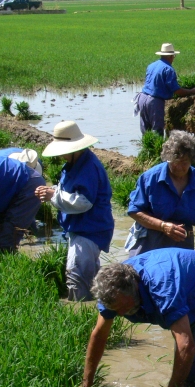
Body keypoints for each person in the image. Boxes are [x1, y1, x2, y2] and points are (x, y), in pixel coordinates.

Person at [81, 248, 195, 387]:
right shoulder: (110, 293)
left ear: (134, 289)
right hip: (181, 282)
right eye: (114, 309)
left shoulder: (162, 289)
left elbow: (186, 347)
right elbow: (99, 335)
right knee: (189, 349)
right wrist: (87, 384)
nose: (119, 314)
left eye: (122, 307)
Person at [35, 121, 114, 301]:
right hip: (82, 228)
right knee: (90, 278)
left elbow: (83, 202)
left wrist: (53, 195)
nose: (60, 155)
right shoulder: (74, 164)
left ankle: (79, 310)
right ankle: (94, 309)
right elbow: (71, 191)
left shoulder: (88, 167)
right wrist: (52, 191)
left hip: (90, 229)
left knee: (76, 275)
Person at [124, 130, 195, 257]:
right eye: (175, 162)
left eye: (184, 163)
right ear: (167, 158)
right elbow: (135, 211)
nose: (179, 167)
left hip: (183, 244)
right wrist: (163, 226)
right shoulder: (150, 178)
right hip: (150, 243)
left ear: (192, 160)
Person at [135, 43, 195, 136]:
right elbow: (177, 90)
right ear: (170, 56)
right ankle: (158, 149)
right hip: (154, 101)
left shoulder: (151, 65)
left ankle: (147, 149)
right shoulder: (168, 69)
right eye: (173, 56)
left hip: (142, 98)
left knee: (145, 131)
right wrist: (192, 91)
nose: (173, 58)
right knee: (157, 130)